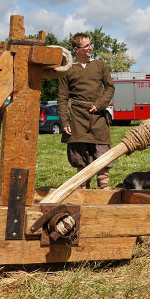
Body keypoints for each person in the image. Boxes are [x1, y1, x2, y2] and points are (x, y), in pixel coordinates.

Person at [57, 33, 115, 189]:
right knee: (81, 158)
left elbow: (110, 87)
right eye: (86, 46)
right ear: (76, 49)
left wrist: (100, 104)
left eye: (90, 45)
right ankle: (84, 191)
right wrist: (64, 121)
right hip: (77, 119)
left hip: (98, 117)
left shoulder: (100, 65)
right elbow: (62, 98)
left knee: (102, 153)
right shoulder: (68, 70)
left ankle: (104, 189)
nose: (90, 48)